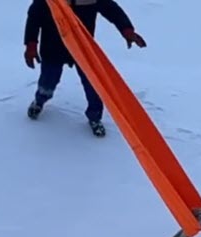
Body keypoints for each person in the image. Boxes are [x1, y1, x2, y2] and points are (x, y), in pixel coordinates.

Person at [23, 0, 147, 137]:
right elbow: (34, 17)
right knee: (47, 81)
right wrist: (31, 45)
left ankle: (95, 117)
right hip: (53, 48)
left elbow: (112, 10)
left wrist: (127, 30)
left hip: (83, 48)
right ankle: (39, 101)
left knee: (93, 84)